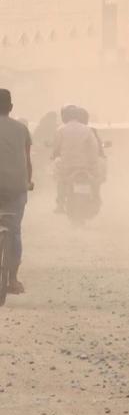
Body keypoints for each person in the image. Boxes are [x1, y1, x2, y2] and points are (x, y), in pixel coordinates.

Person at [0, 89, 33, 295]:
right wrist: (28, 182)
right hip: (16, 188)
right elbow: (27, 161)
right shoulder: (22, 129)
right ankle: (12, 279)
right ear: (11, 108)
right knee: (14, 231)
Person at [52, 105, 101, 213]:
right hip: (85, 166)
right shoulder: (87, 129)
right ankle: (96, 198)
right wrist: (92, 162)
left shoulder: (61, 129)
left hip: (66, 166)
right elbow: (94, 147)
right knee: (95, 180)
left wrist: (54, 155)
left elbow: (56, 147)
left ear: (65, 117)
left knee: (60, 180)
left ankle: (60, 204)